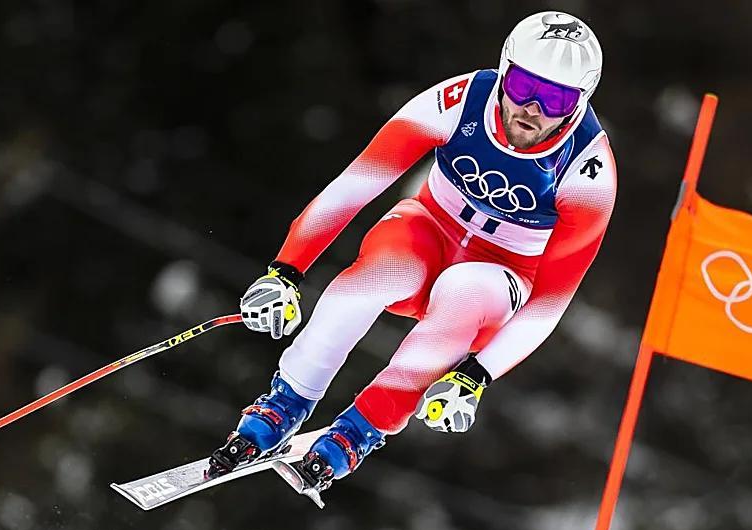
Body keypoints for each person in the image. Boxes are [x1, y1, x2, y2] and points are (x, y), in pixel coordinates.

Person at [208, 10, 617, 492]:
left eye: (554, 98)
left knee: (464, 289)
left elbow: (551, 302)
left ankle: (359, 431)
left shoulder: (588, 172)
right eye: (524, 85)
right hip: (429, 230)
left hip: (499, 275)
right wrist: (286, 270)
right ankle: (284, 403)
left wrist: (474, 377)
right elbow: (356, 185)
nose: (531, 108)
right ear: (505, 70)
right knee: (377, 274)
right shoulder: (459, 101)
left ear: (579, 102)